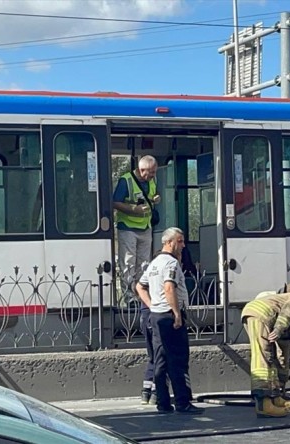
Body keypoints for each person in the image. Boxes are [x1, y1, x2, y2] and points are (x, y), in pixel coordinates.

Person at [136, 227, 203, 415]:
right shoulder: (171, 264)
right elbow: (169, 288)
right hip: (169, 315)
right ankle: (183, 402)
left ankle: (163, 403)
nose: (183, 246)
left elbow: (140, 286)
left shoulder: (154, 263)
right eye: (180, 241)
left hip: (156, 316)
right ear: (169, 242)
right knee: (178, 359)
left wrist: (151, 305)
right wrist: (177, 313)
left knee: (160, 360)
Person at [113, 155, 159, 403]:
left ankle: (142, 296)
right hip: (128, 227)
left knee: (145, 265)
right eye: (147, 173)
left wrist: (153, 201)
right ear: (140, 169)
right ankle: (129, 298)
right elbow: (115, 202)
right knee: (128, 264)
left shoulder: (151, 181)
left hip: (145, 227)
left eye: (152, 174)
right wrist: (133, 209)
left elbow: (151, 197)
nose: (150, 177)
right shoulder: (125, 180)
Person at [242, 290, 290, 418]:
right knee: (262, 356)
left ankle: (274, 397)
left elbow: (283, 350)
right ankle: (263, 404)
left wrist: (281, 385)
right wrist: (279, 328)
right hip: (261, 314)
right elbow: (289, 310)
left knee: (272, 357)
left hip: (264, 316)